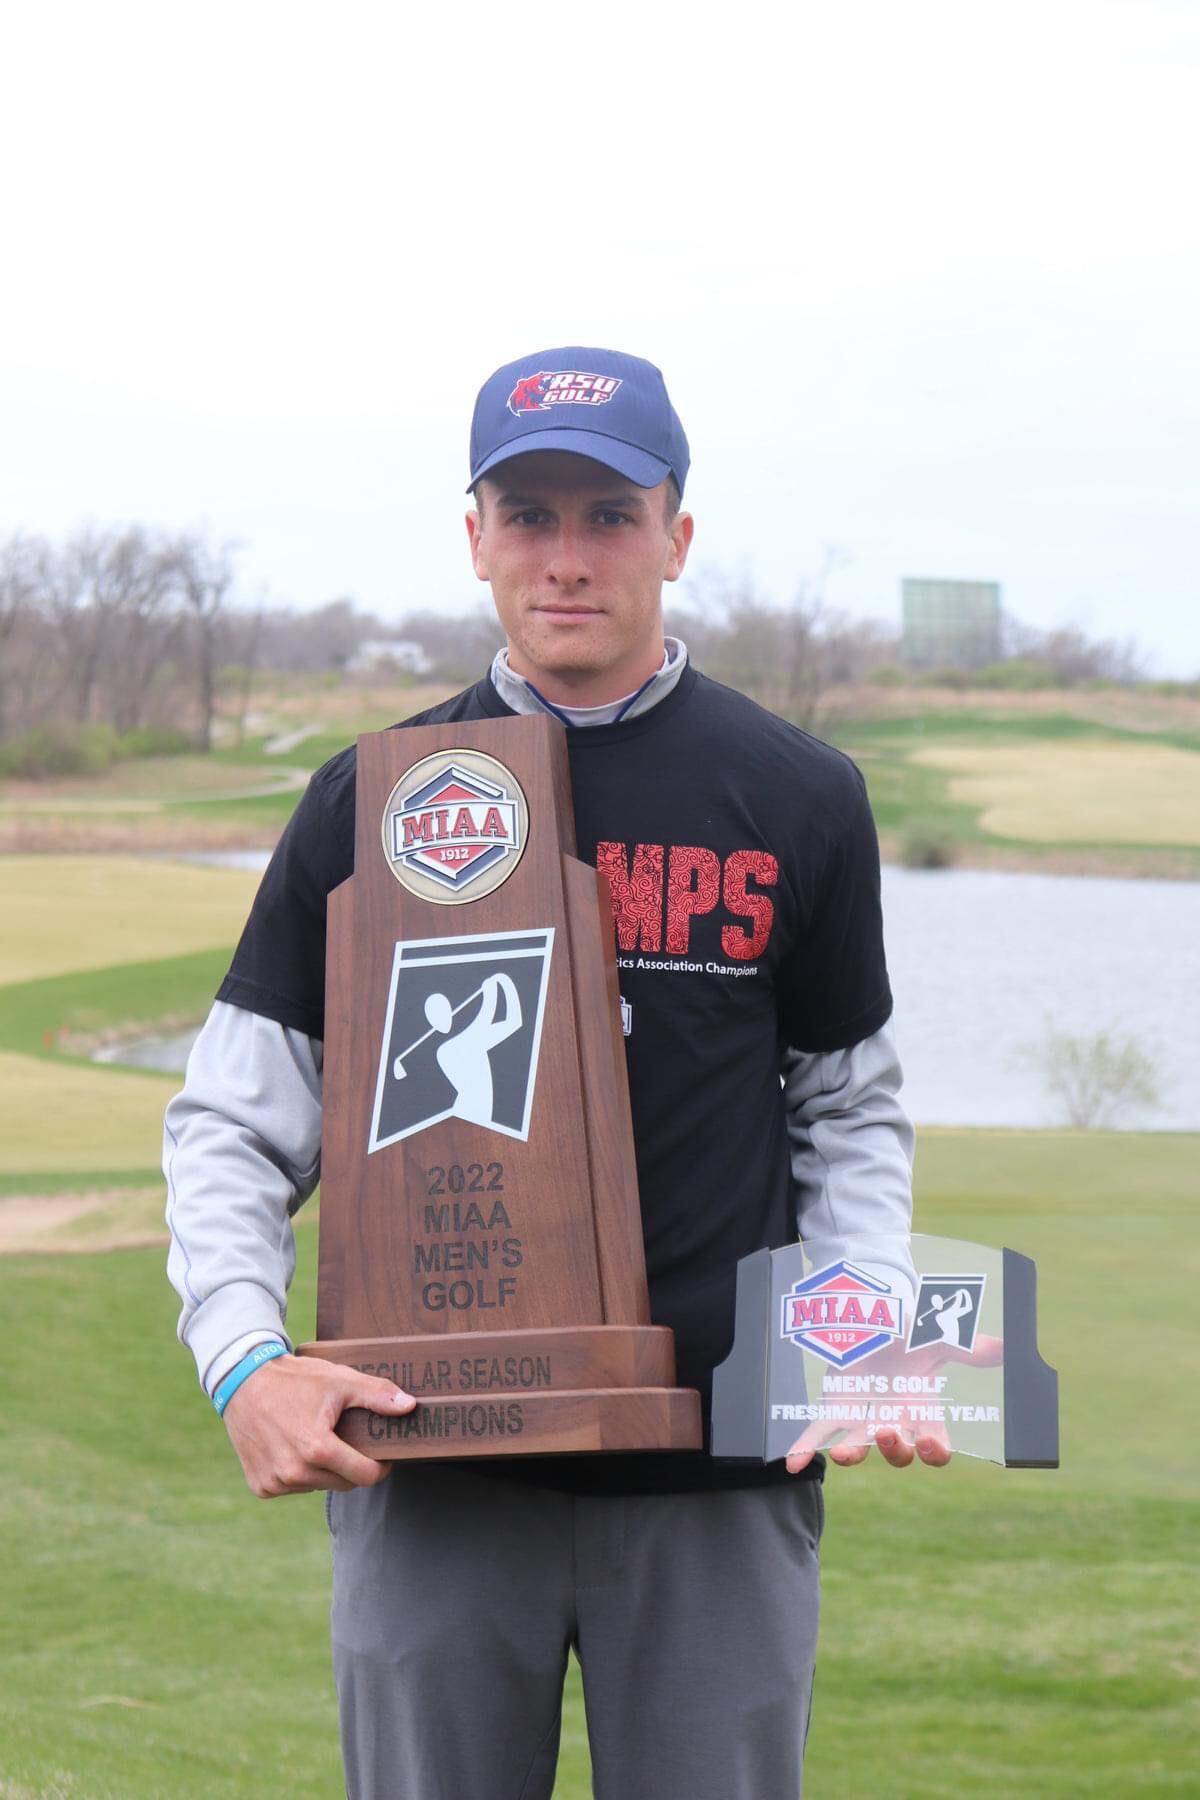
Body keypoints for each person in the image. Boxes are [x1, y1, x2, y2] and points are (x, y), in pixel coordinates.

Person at [164, 346, 949, 1800]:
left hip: (722, 1477)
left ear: (679, 535)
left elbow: (847, 1110)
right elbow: (234, 1120)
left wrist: (867, 1324)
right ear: (474, 537)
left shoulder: (800, 795)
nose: (567, 557)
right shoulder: (373, 794)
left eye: (609, 514)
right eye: (528, 515)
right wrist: (243, 1360)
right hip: (439, 1477)